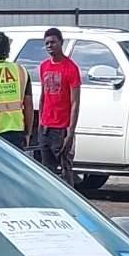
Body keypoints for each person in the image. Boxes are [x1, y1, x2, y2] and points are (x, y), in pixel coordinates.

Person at [32, 28, 81, 181]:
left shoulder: (71, 68)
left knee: (65, 170)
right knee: (47, 172)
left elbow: (75, 102)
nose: (50, 46)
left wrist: (70, 132)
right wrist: (40, 121)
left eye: (53, 42)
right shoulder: (43, 66)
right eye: (47, 43)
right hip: (46, 127)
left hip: (61, 129)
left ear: (61, 42)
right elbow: (43, 96)